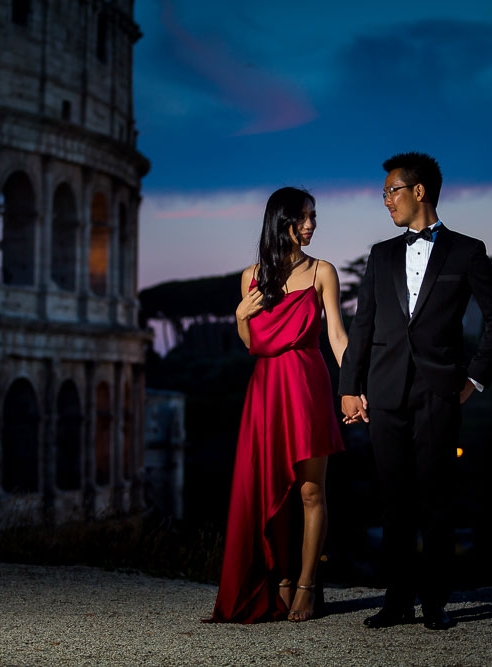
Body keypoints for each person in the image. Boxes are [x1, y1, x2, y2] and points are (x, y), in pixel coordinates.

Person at [340, 152, 492, 630]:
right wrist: (349, 388)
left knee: (437, 500)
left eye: (391, 191)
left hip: (440, 390)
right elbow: (363, 324)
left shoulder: (467, 251)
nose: (386, 201)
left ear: (419, 191)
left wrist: (474, 378)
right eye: (384, 193)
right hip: (384, 390)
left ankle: (435, 603)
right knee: (393, 499)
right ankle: (396, 601)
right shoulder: (381, 254)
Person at [207, 187, 350, 623]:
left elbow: (337, 337)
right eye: (302, 217)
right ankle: (281, 580)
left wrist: (355, 386)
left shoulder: (323, 271)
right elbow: (254, 345)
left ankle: (306, 585)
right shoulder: (251, 277)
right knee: (273, 492)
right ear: (280, 220)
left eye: (313, 217)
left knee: (310, 491)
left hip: (307, 386)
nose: (310, 225)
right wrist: (239, 316)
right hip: (266, 390)